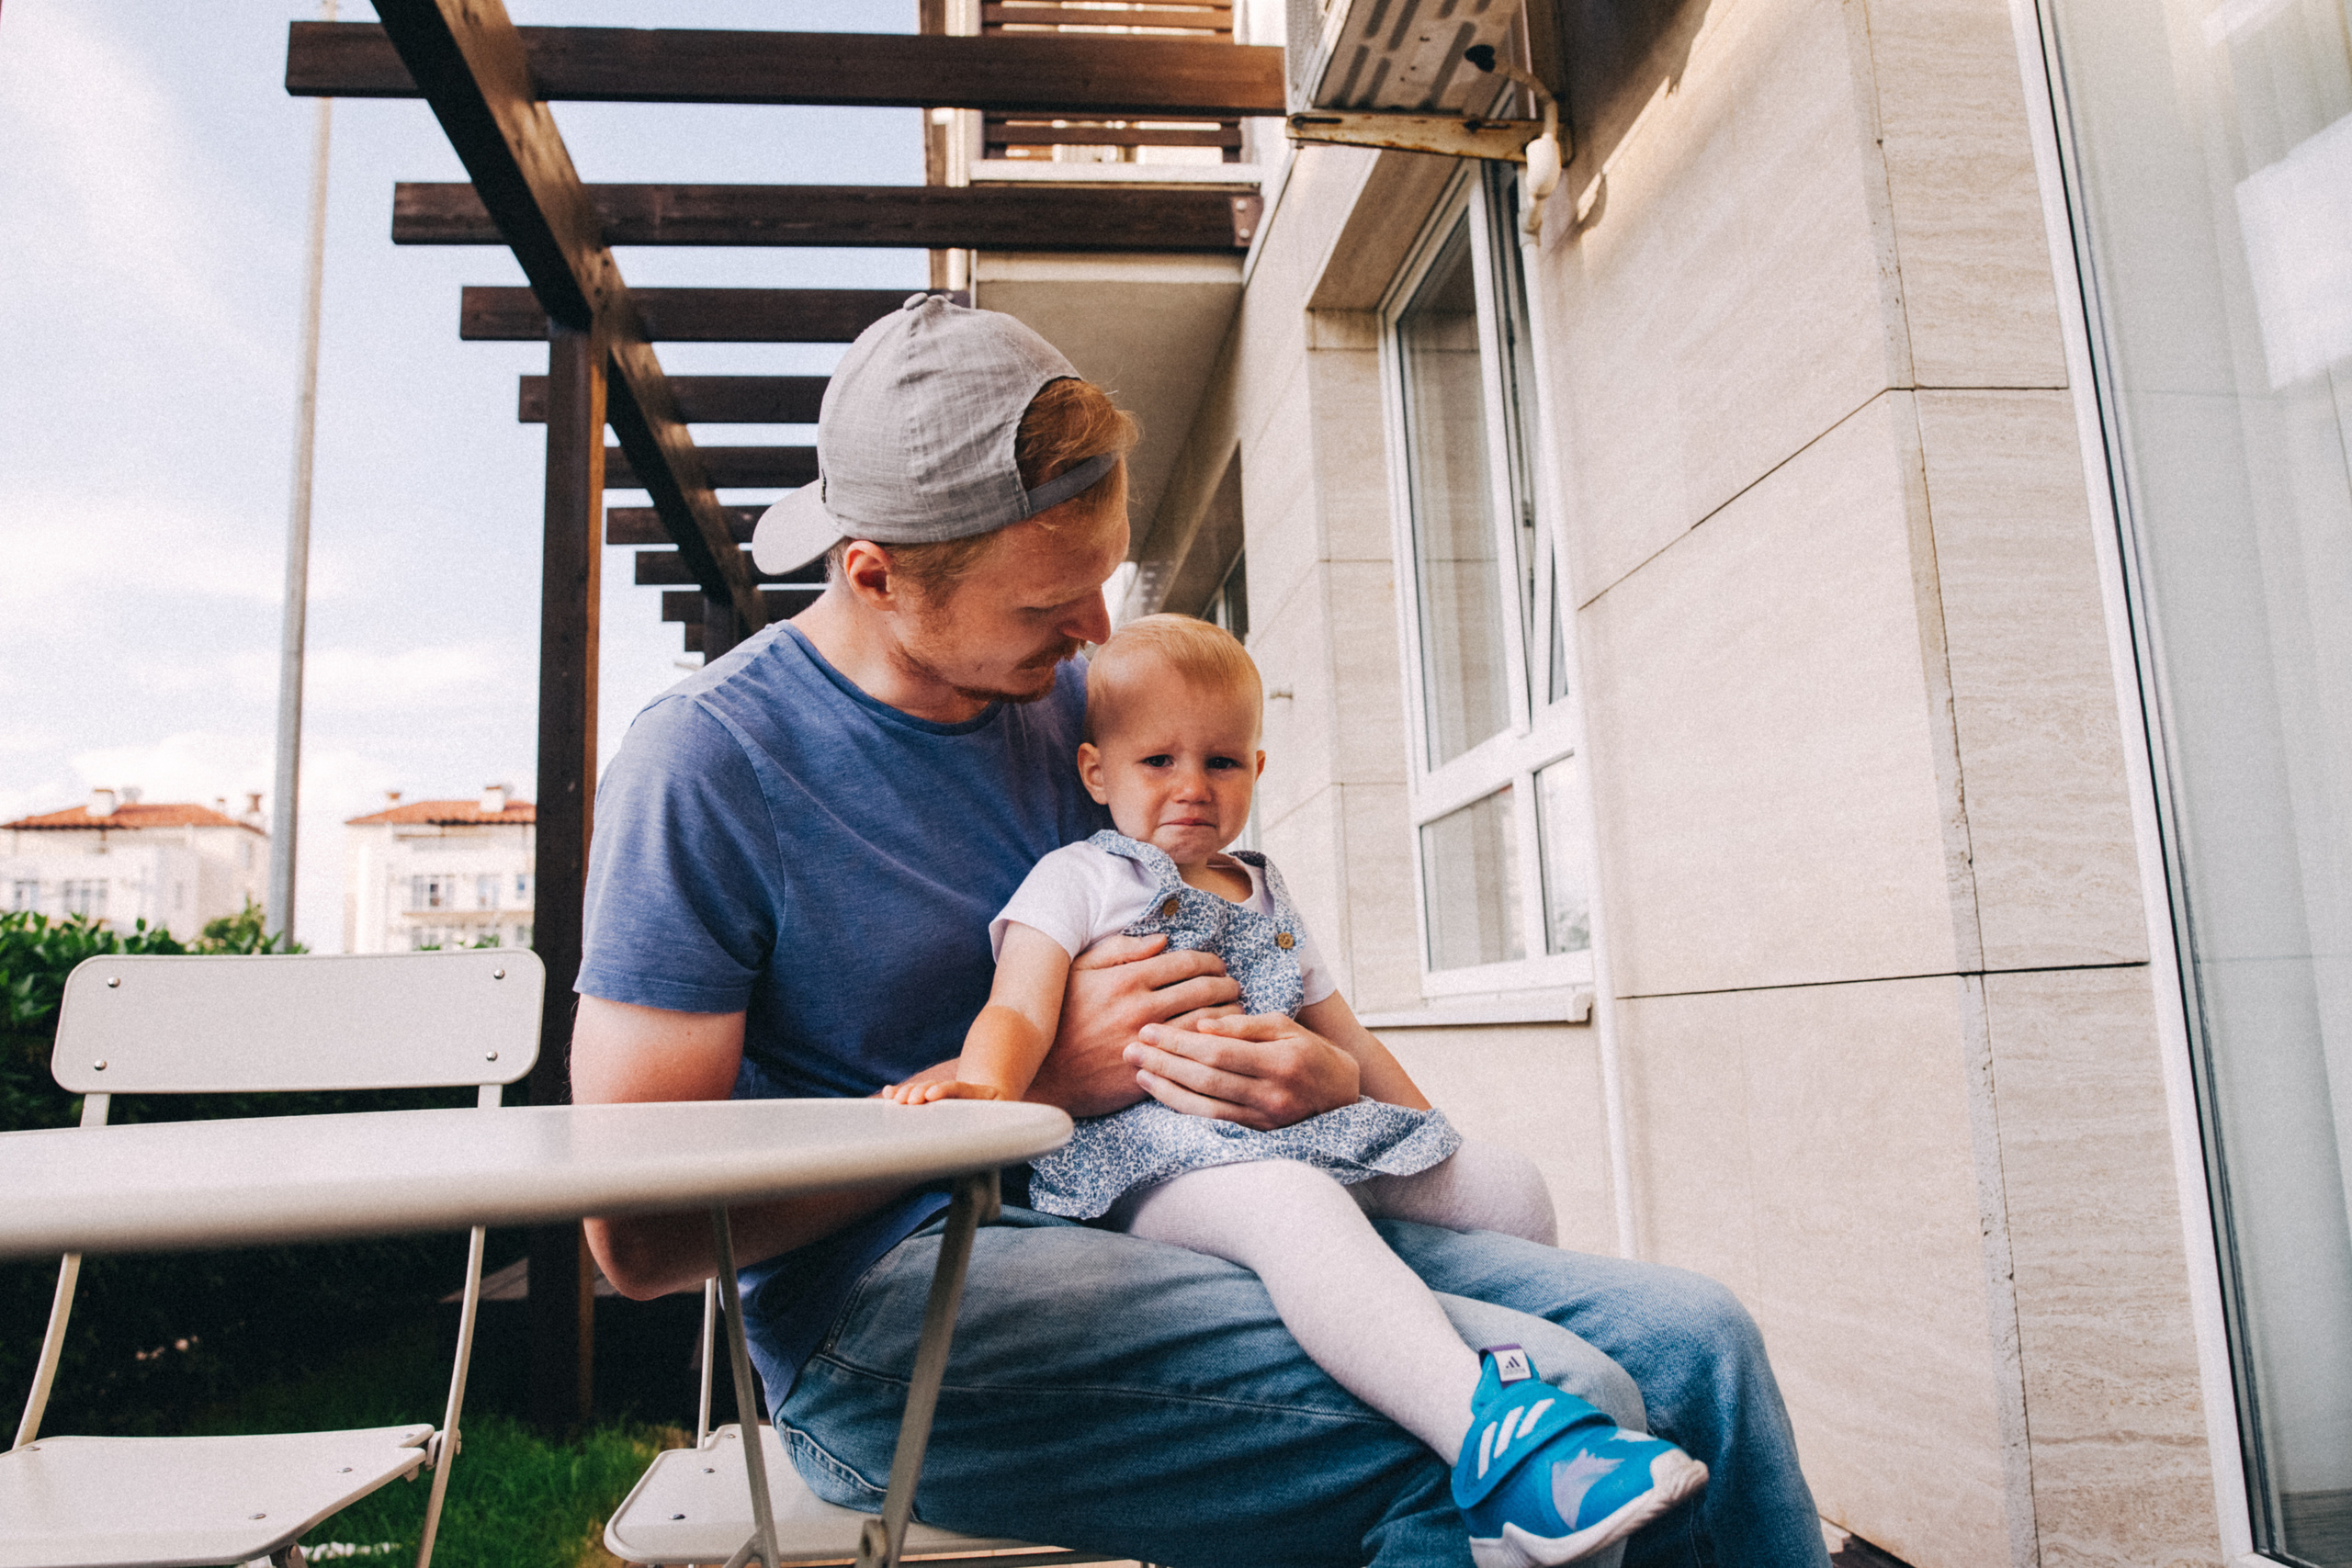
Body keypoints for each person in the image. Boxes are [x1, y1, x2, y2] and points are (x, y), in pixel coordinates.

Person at [573, 293, 1831, 1568]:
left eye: (1103, 580)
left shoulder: (1088, 710)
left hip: (1181, 1191)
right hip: (885, 1311)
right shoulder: (710, 766)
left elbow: (1241, 941)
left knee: (1696, 1340)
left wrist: (1321, 1073)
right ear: (876, 573)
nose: (1094, 629)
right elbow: (641, 1236)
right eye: (1046, 605)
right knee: (1559, 1406)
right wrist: (1034, 1093)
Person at [885, 613, 1710, 1564]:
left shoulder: (1265, 888)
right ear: (1096, 772)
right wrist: (985, 1087)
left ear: (1258, 769)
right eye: (1157, 761)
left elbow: (1342, 1032)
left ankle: (1493, 1348)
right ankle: (1491, 1446)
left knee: (1505, 1184)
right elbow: (1018, 1010)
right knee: (1294, 1205)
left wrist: (1421, 1135)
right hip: (1154, 1159)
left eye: (1221, 762)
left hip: (1289, 1132)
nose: (1193, 786)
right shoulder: (1080, 877)